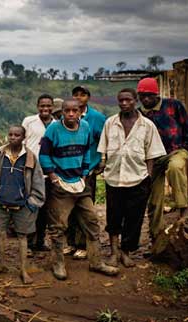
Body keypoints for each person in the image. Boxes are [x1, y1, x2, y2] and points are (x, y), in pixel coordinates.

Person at [40, 99, 119, 280]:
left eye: (74, 111)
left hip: (80, 183)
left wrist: (84, 174)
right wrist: (53, 177)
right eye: (67, 111)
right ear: (62, 112)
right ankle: (58, 263)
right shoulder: (53, 129)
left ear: (79, 112)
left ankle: (96, 262)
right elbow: (44, 156)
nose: (70, 114)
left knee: (91, 221)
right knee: (58, 226)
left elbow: (86, 152)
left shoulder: (84, 127)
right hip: (61, 185)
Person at [98, 88, 166, 267]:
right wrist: (101, 167)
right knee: (113, 216)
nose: (124, 103)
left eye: (128, 100)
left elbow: (151, 154)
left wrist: (148, 177)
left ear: (136, 100)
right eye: (121, 100)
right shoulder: (110, 123)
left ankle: (126, 252)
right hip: (114, 178)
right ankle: (113, 252)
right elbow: (103, 151)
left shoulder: (147, 125)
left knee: (134, 218)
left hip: (138, 179)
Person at [0, 125, 45, 284]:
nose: (13, 137)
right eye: (10, 134)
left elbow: (38, 181)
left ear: (23, 138)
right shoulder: (0, 154)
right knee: (0, 233)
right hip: (0, 203)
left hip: (23, 205)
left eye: (17, 135)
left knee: (22, 236)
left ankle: (23, 269)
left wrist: (32, 202)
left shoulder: (30, 157)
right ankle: (2, 264)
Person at [137, 77, 188, 241]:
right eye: (142, 96)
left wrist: (185, 147)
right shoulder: (140, 114)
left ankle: (183, 211)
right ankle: (156, 237)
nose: (146, 99)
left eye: (149, 95)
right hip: (153, 159)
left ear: (156, 94)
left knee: (176, 167)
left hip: (175, 151)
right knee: (155, 200)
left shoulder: (173, 105)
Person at [66, 86, 107, 260]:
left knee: (84, 208)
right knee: (69, 207)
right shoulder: (67, 116)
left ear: (88, 98)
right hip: (68, 171)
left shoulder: (96, 118)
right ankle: (71, 243)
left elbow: (105, 140)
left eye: (82, 95)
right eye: (76, 94)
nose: (79, 97)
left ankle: (83, 245)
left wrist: (101, 161)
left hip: (87, 170)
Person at [22, 94, 56, 252]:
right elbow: (21, 144)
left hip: (49, 173)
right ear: (38, 106)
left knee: (44, 209)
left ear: (53, 107)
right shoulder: (29, 121)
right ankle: (28, 242)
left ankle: (40, 241)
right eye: (42, 106)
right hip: (30, 172)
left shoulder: (56, 124)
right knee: (30, 207)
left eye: (48, 106)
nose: (45, 109)